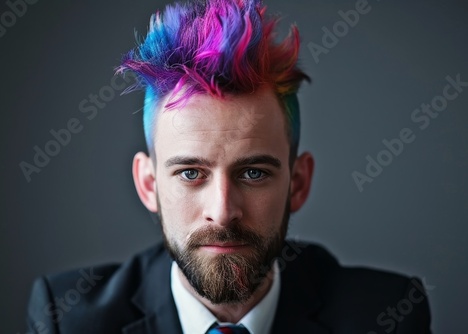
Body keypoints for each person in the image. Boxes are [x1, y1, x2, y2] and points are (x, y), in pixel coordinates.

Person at [26, 0, 432, 333]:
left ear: (298, 182)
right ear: (148, 184)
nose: (222, 211)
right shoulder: (67, 320)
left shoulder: (387, 316)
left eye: (253, 173)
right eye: (190, 173)